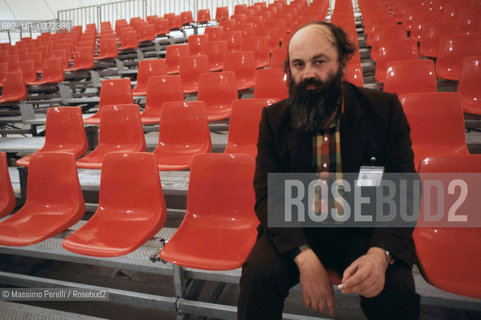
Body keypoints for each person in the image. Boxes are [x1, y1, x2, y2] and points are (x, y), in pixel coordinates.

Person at [238, 21, 421, 320]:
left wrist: (379, 255)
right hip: (299, 227)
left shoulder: (383, 110)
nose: (308, 73)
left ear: (341, 61)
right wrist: (305, 258)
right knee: (257, 276)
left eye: (319, 62)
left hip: (363, 229)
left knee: (396, 289)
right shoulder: (274, 119)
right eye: (299, 64)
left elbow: (404, 189)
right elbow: (269, 196)